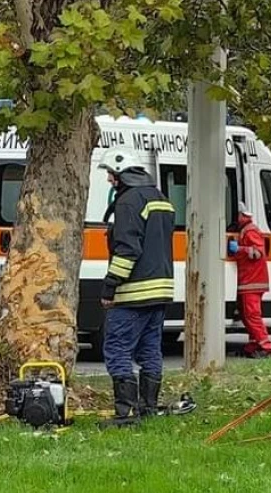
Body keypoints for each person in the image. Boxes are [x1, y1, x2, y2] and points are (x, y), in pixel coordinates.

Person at [98, 147, 176, 427]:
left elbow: (127, 250)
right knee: (150, 350)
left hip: (133, 293)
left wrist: (109, 288)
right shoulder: (162, 200)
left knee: (117, 348)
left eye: (111, 175)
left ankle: (125, 413)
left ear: (123, 175)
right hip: (161, 290)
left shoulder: (129, 202)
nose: (109, 181)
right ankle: (148, 408)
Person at [228, 202, 271, 358]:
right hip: (249, 281)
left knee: (252, 315)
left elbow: (258, 253)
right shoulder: (245, 230)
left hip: (253, 281)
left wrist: (239, 249)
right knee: (247, 315)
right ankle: (254, 345)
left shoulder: (250, 231)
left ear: (242, 215)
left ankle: (265, 346)